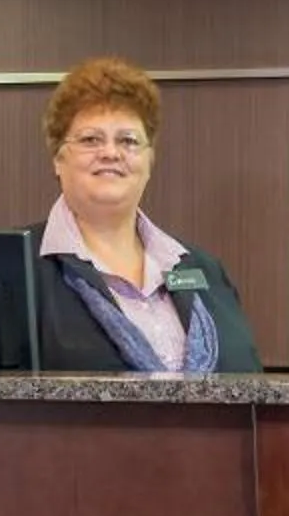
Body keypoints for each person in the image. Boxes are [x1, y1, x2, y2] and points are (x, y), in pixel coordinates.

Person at [35, 57, 263, 374]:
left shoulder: (204, 270)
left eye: (128, 140)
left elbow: (250, 384)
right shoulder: (19, 269)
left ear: (149, 161)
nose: (111, 153)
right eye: (91, 140)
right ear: (58, 159)